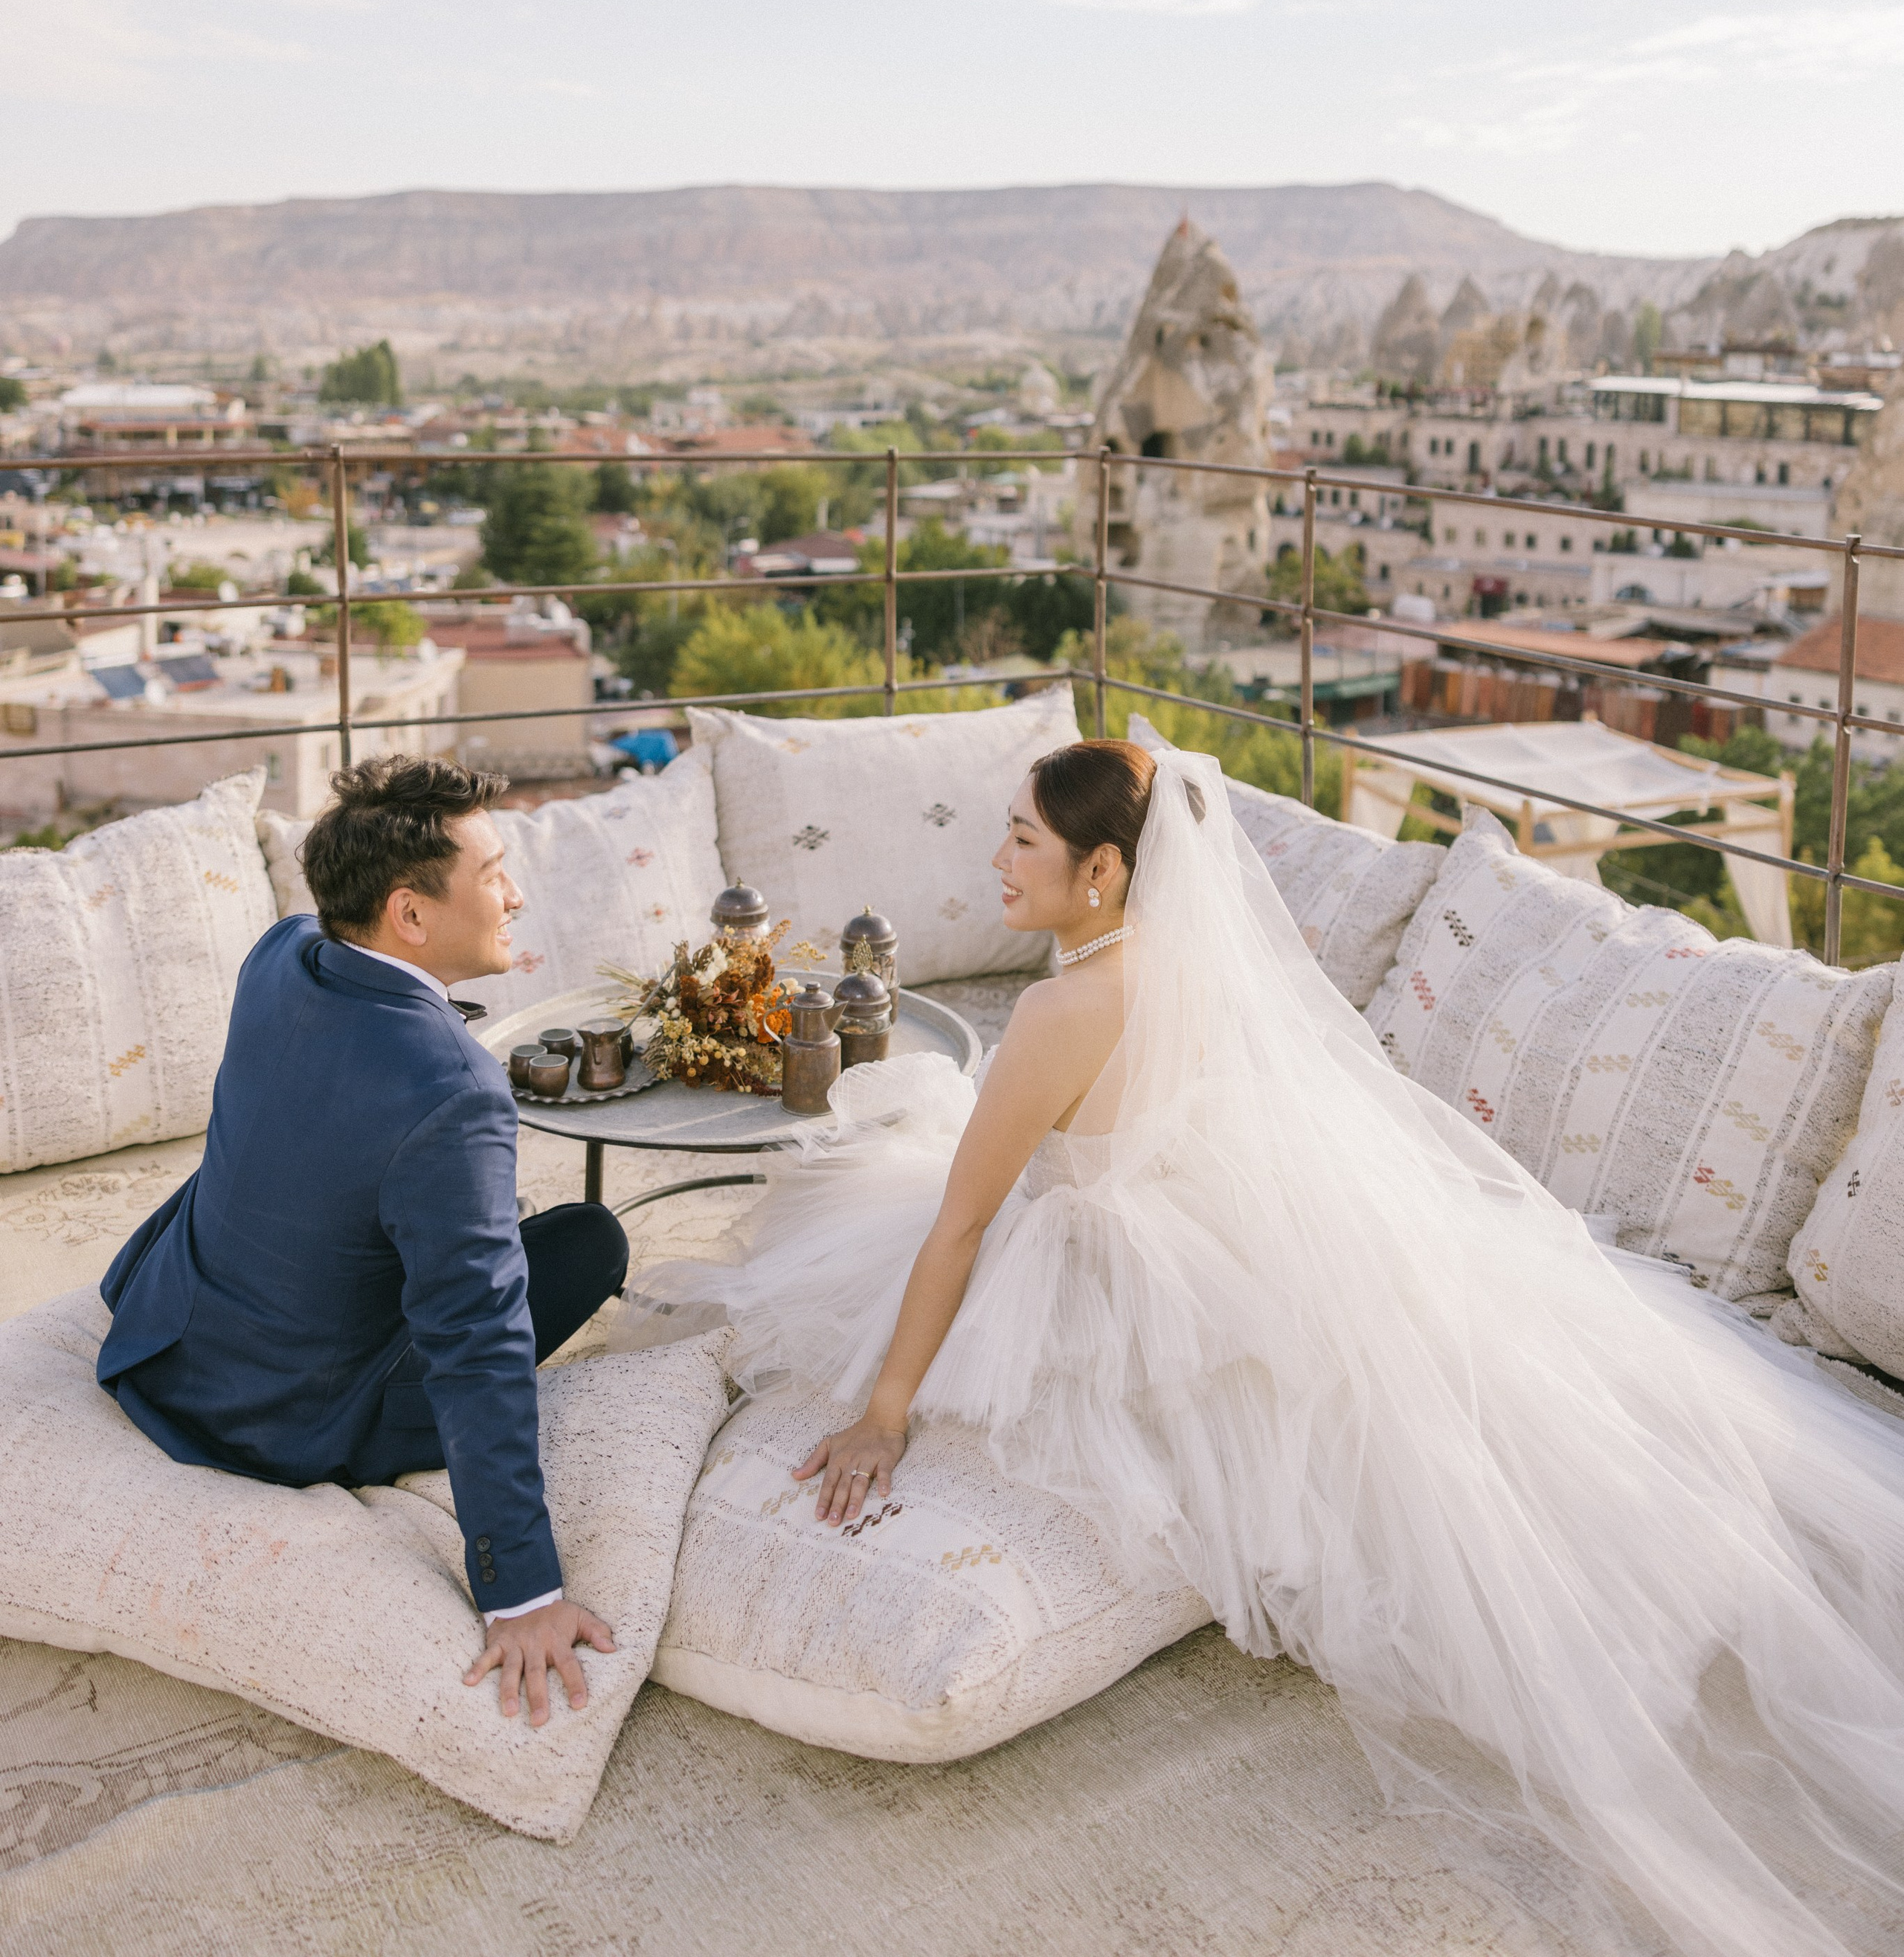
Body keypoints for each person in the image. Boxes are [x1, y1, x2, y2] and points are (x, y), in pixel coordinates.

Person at [620, 736, 1904, 1957]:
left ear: (1101, 869)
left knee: (866, 1201)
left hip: (1117, 1245)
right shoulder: (1179, 965)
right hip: (1207, 1209)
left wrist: (886, 1408)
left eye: (1021, 841)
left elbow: (959, 1228)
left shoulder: (1064, 1011)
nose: (995, 865)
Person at [97, 753, 630, 1729]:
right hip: (282, 1422)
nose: (516, 893)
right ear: (410, 916)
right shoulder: (456, 1091)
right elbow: (478, 1346)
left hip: (164, 1334)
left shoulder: (282, 952)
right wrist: (522, 1590)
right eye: (494, 874)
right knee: (589, 1240)